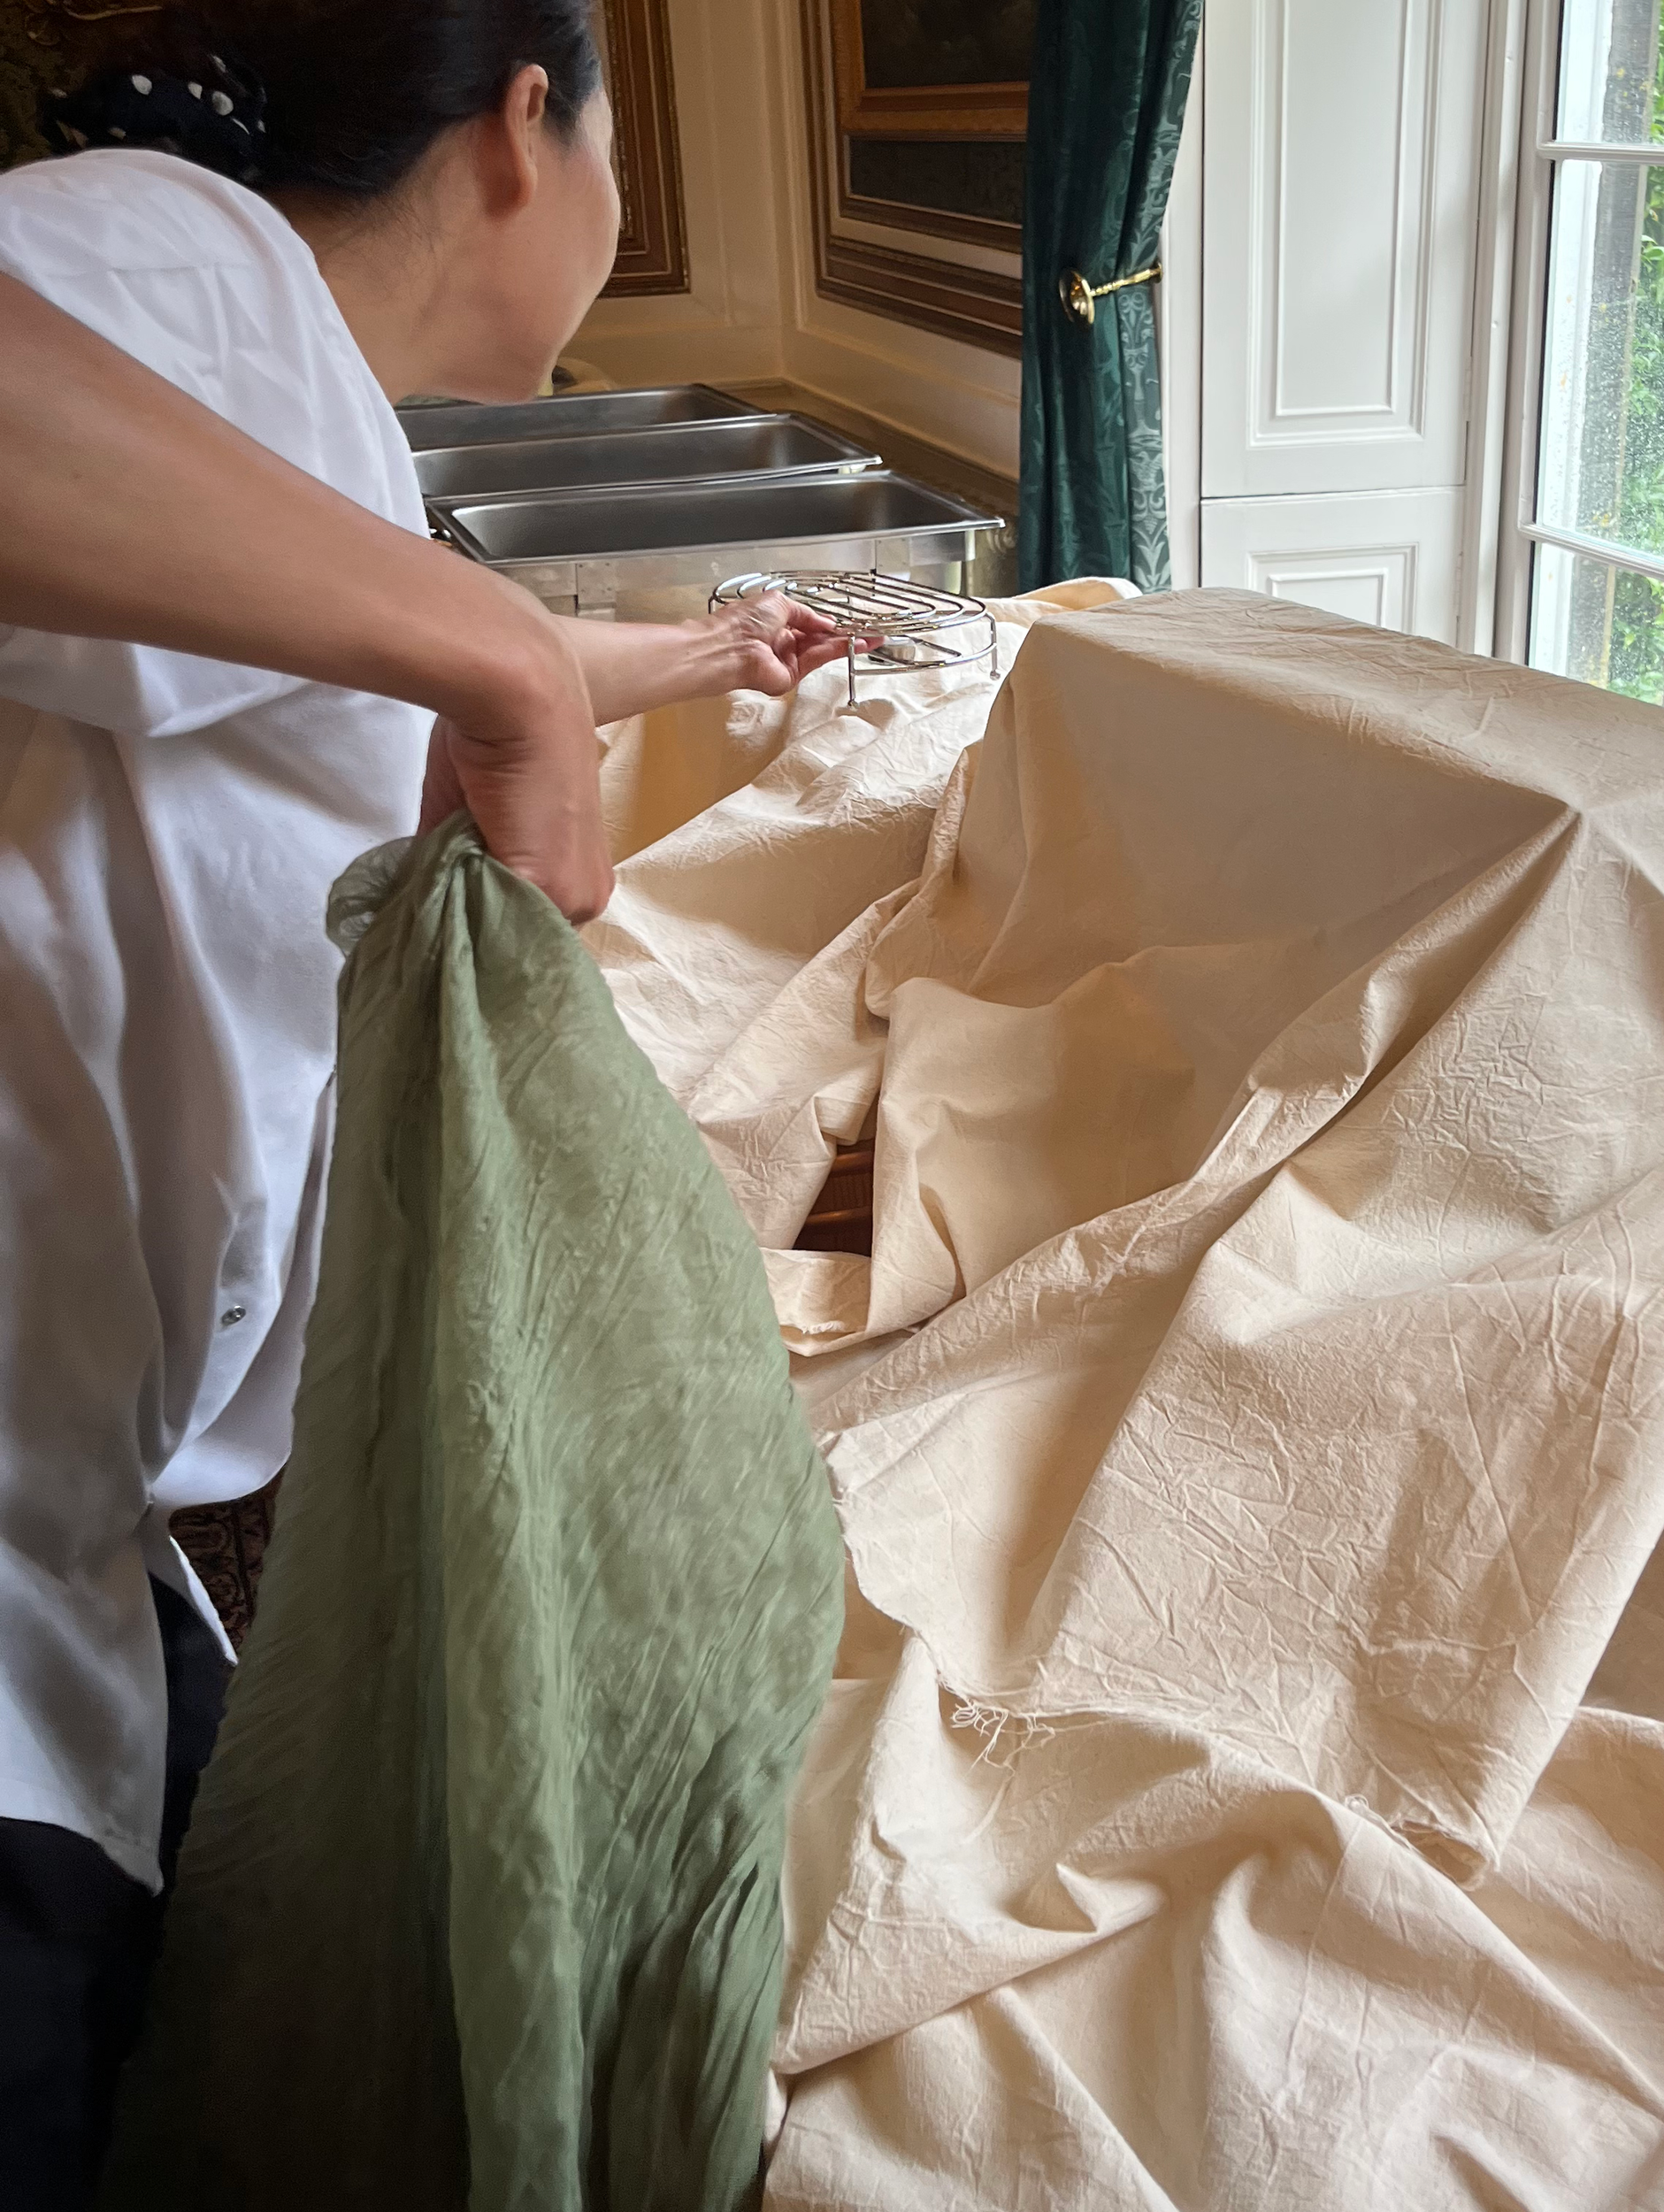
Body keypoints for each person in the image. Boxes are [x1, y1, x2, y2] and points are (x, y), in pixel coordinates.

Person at [0, 4, 845, 2197]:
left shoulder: (285, 411)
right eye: (622, 169)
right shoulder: (163, 259)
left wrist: (696, 657)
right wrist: (486, 660)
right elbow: (425, 647)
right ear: (524, 119)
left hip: (94, 1516)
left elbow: (339, 647)